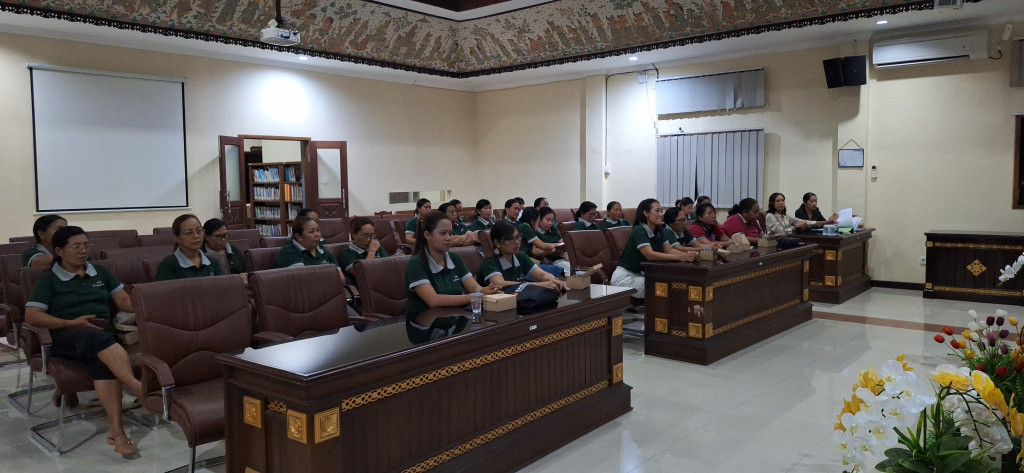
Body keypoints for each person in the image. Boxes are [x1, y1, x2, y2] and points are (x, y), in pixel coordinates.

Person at [25, 226, 143, 459]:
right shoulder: (49, 280)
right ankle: (135, 384)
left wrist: (147, 305)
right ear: (59, 250)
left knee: (101, 355)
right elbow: (32, 315)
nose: (83, 251)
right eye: (76, 246)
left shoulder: (100, 272)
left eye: (86, 245)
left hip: (102, 338)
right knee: (93, 337)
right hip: (65, 337)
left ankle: (116, 431)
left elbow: (123, 301)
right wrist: (71, 323)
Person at [405, 211, 501, 343]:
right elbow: (434, 301)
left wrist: (488, 291)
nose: (449, 238)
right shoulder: (416, 263)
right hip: (424, 327)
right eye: (443, 233)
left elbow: (475, 288)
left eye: (450, 233)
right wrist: (474, 297)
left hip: (453, 319)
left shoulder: (455, 258)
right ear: (427, 235)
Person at [610, 199, 697, 306]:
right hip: (625, 278)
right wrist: (680, 257)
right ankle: (659, 319)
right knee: (665, 286)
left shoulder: (659, 230)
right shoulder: (639, 230)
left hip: (641, 276)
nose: (661, 214)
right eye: (657, 211)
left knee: (675, 283)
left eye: (661, 211)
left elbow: (669, 250)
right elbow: (649, 254)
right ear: (646, 213)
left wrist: (687, 255)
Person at [478, 221, 569, 291]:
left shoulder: (519, 255)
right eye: (510, 239)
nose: (517, 242)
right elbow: (501, 285)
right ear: (497, 242)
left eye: (518, 237)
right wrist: (540, 285)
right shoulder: (490, 261)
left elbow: (541, 275)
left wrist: (553, 280)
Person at [155, 214, 224, 280]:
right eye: (189, 233)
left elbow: (223, 289)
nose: (196, 236)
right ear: (177, 238)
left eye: (199, 231)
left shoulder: (213, 262)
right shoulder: (169, 265)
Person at [274, 216, 340, 268]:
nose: (317, 235)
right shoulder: (288, 251)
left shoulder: (326, 253)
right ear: (299, 236)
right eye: (311, 232)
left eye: (318, 230)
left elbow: (341, 279)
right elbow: (304, 279)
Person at [339, 217, 387, 283]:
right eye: (365, 235)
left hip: (383, 282)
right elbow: (362, 273)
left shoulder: (378, 247)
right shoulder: (346, 253)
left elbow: (387, 267)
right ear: (353, 235)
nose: (368, 239)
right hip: (364, 288)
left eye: (372, 235)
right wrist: (372, 251)